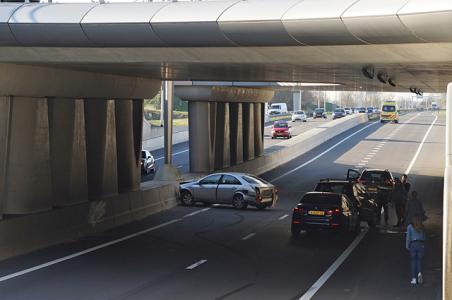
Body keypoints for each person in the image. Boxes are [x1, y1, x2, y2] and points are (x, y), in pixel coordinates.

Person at [406, 215, 426, 285]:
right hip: (421, 244)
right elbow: (424, 237)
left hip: (413, 244)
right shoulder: (422, 226)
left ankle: (414, 279)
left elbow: (408, 237)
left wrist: (407, 245)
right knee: (419, 260)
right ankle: (419, 273)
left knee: (413, 261)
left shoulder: (410, 227)